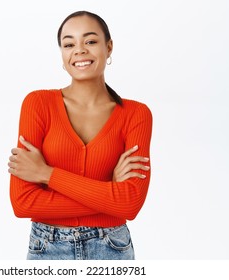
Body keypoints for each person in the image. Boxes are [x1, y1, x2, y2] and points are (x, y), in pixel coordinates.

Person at [8, 10, 152, 260]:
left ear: (109, 47)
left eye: (91, 41)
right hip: (47, 249)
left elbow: (130, 204)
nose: (80, 50)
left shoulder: (136, 114)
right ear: (62, 55)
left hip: (111, 248)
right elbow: (23, 203)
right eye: (69, 44)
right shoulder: (37, 104)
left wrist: (46, 174)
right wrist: (110, 192)